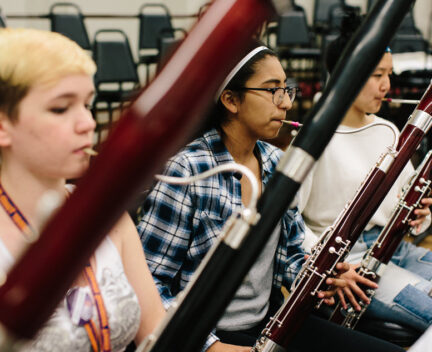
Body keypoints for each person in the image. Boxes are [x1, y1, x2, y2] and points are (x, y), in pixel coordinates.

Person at [138, 42, 404, 352]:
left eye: (286, 90)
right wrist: (211, 347)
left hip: (268, 321)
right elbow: (148, 286)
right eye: (271, 90)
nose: (286, 104)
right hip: (208, 333)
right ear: (231, 100)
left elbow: (290, 254)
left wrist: (324, 277)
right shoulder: (190, 170)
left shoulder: (277, 162)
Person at [0, 27, 165, 350]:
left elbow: (157, 333)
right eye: (61, 108)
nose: (88, 123)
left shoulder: (109, 214)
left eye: (88, 104)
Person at [298, 13, 432, 333]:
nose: (386, 85)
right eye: (376, 75)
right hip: (352, 263)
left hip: (395, 248)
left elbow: (408, 209)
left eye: (389, 74)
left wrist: (422, 214)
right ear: (347, 74)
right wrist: (329, 269)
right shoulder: (313, 139)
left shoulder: (387, 130)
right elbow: (292, 225)